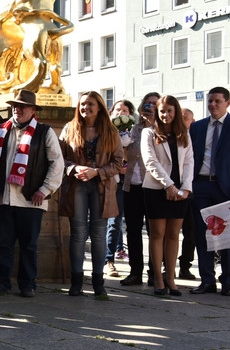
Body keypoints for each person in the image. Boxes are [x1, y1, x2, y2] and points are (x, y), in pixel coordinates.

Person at [0, 90, 64, 298]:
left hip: (31, 199)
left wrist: (45, 189)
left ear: (33, 110)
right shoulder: (0, 130)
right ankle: (2, 283)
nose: (18, 109)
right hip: (2, 197)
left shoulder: (44, 131)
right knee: (2, 244)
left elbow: (57, 164)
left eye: (23, 106)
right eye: (15, 105)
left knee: (29, 245)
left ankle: (27, 284)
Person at [58, 91, 124, 298]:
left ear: (100, 107)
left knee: (98, 234)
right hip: (76, 186)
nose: (86, 108)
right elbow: (59, 158)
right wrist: (73, 168)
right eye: (83, 104)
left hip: (101, 187)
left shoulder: (111, 131)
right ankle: (76, 282)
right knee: (78, 234)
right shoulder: (70, 129)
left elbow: (118, 163)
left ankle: (98, 282)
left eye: (90, 104)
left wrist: (97, 172)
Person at [189, 86, 230, 295]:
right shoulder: (198, 127)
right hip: (201, 185)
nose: (213, 105)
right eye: (210, 101)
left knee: (227, 235)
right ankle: (207, 280)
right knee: (202, 234)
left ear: (227, 103)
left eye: (217, 101)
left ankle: (227, 282)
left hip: (227, 187)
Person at [141, 95, 194, 297]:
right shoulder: (149, 132)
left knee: (174, 235)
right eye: (162, 111)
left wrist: (186, 188)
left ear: (176, 112)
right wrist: (168, 185)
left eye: (170, 111)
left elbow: (189, 163)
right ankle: (159, 279)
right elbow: (150, 161)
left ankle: (171, 278)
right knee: (157, 234)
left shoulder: (184, 134)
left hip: (180, 191)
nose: (166, 115)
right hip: (156, 189)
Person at [120, 92, 160, 287]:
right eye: (147, 103)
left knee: (155, 231)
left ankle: (154, 272)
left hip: (153, 186)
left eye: (154, 104)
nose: (149, 107)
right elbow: (123, 153)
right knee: (133, 231)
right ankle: (135, 272)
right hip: (131, 185)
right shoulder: (132, 128)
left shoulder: (162, 130)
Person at [105, 99, 135, 277]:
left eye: (125, 110)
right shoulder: (106, 131)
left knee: (124, 222)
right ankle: (108, 260)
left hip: (129, 180)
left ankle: (132, 263)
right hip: (111, 179)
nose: (121, 113)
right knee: (113, 222)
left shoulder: (134, 132)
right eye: (117, 109)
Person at [179, 107, 197, 280]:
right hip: (173, 189)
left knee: (190, 232)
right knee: (169, 233)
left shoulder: (196, 136)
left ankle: (185, 266)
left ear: (192, 121)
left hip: (192, 190)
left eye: (186, 118)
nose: (182, 121)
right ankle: (165, 266)